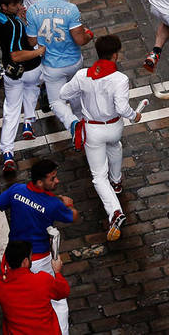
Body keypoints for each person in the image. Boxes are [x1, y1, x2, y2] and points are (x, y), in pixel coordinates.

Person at [0, 159, 78, 335]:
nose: (57, 181)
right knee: (58, 302)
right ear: (40, 182)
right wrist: (67, 203)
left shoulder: (16, 191)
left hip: (14, 256)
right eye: (52, 178)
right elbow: (72, 217)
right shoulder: (53, 204)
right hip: (39, 258)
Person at [59, 35, 142, 241]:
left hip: (93, 130)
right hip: (114, 126)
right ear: (115, 54)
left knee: (98, 176)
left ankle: (114, 211)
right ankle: (117, 181)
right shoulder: (120, 79)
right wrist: (134, 115)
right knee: (115, 146)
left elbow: (63, 93)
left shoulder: (82, 75)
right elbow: (122, 108)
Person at [26, 0, 93, 132]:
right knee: (77, 98)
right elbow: (80, 39)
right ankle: (84, 131)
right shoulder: (71, 9)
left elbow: (32, 40)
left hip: (51, 66)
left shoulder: (33, 10)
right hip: (73, 62)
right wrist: (89, 35)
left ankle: (72, 124)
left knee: (56, 102)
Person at [0, 0, 45, 172]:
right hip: (29, 67)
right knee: (31, 90)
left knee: (10, 110)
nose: (19, 6)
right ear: (5, 6)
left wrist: (17, 17)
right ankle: (28, 123)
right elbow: (18, 53)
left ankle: (7, 152)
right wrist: (38, 51)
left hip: (11, 74)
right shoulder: (15, 25)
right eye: (15, 5)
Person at [0, 240, 70, 334]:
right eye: (31, 256)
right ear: (25, 261)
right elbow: (63, 291)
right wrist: (57, 272)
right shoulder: (43, 279)